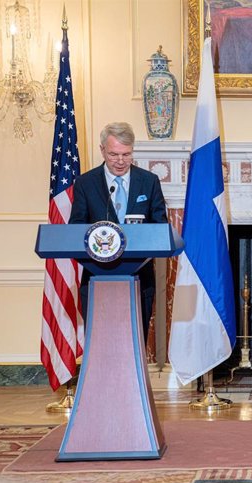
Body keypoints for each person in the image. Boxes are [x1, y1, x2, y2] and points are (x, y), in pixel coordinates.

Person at [69, 122, 168, 342]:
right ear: (102, 150)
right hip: (97, 277)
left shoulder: (148, 182)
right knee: (100, 343)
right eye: (114, 154)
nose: (121, 161)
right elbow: (75, 230)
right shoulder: (86, 183)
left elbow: (160, 227)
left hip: (139, 279)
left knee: (134, 342)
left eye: (127, 154)